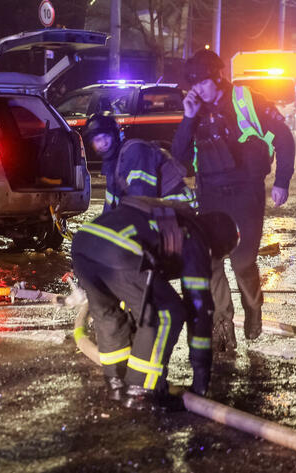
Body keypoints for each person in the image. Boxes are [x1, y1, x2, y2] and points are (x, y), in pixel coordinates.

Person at [71, 139, 238, 407]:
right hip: (120, 249)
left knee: (109, 316)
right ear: (217, 243)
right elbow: (198, 311)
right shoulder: (195, 238)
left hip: (84, 244)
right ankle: (140, 390)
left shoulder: (174, 216)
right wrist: (201, 379)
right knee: (167, 313)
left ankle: (117, 384)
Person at [172, 49, 295, 351]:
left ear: (217, 77)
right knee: (211, 262)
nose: (198, 89)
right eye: (193, 84)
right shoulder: (195, 110)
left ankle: (253, 306)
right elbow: (179, 156)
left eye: (202, 82)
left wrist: (282, 181)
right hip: (210, 195)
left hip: (245, 193)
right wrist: (188, 118)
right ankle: (222, 324)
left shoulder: (246, 99)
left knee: (242, 262)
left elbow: (284, 137)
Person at [82, 111, 124, 211]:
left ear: (114, 136)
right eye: (97, 140)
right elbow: (110, 204)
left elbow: (140, 202)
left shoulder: (130, 155)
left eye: (106, 137)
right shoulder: (110, 162)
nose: (103, 143)